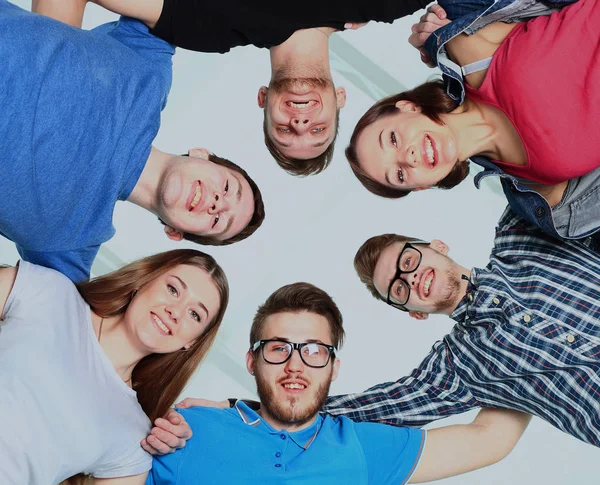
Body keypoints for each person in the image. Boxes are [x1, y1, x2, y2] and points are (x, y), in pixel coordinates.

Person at [147, 282, 530, 484]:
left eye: (314, 351)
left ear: (333, 368)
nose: (295, 364)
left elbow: (490, 439)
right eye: (279, 347)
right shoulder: (189, 427)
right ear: (252, 361)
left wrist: (529, 351)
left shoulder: (363, 448)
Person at [0, 0, 265, 283]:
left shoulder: (71, 245)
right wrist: (52, 44)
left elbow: (45, 317)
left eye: (217, 221)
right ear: (201, 154)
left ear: (175, 233)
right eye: (227, 188)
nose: (217, 204)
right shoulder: (151, 65)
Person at [58, 0, 448, 176]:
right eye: (317, 129)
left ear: (263, 99)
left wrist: (54, 89)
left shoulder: (209, 28)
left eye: (284, 129)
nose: (300, 122)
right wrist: (449, 42)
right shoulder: (376, 4)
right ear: (340, 99)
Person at [323, 207, 600, 448]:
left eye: (407, 262)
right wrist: (286, 413)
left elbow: (540, 166)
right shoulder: (457, 368)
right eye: (399, 288)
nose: (410, 278)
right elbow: (378, 408)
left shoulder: (520, 233)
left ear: (438, 246)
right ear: (415, 314)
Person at [345, 0, 600, 248]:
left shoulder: (464, 44)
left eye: (392, 139)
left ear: (407, 107)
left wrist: (443, 31)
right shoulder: (538, 196)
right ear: (421, 187)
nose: (408, 158)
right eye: (399, 175)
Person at [0, 248, 229, 484]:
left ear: (191, 342)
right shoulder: (51, 292)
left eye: (194, 315)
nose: (176, 312)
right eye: (173, 289)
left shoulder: (135, 436)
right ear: (144, 280)